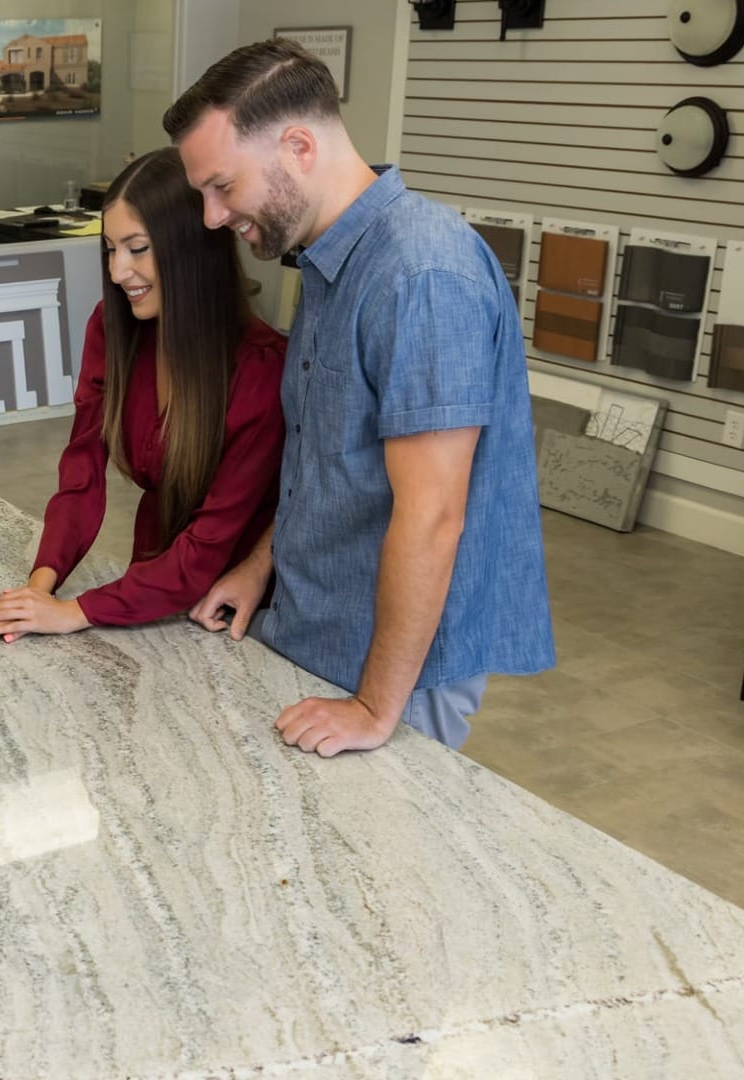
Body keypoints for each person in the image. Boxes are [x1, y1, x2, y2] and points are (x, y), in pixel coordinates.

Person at [166, 40, 554, 756]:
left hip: (396, 673)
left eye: (223, 185)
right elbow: (327, 459)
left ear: (299, 146)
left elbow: (433, 515)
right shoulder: (325, 259)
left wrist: (375, 708)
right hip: (315, 623)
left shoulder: (422, 276)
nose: (212, 217)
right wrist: (260, 566)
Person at [0, 148, 285, 648]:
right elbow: (82, 471)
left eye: (136, 248)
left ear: (191, 248)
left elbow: (206, 548)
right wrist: (39, 587)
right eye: (110, 249)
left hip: (232, 602)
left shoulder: (260, 369)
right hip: (151, 579)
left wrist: (75, 612)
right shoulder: (114, 332)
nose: (117, 271)